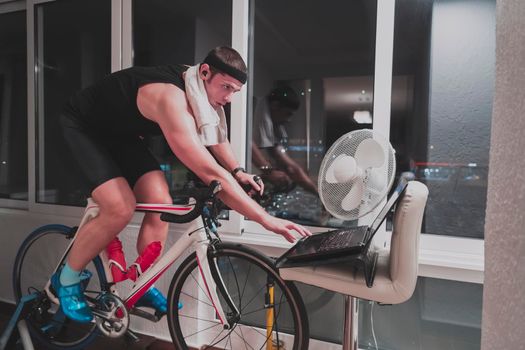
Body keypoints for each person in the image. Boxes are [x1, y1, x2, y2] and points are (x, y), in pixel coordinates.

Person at [54, 46, 311, 323]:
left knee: (161, 204)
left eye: (234, 91)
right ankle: (66, 279)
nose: (228, 98)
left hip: (121, 135)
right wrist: (265, 219)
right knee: (119, 208)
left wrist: (238, 171)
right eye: (225, 87)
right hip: (84, 126)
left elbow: (217, 139)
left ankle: (143, 284)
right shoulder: (170, 99)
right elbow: (209, 172)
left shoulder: (201, 92)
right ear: (204, 72)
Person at [252, 86, 318, 194]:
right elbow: (248, 144)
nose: (288, 119)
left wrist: (317, 192)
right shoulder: (251, 109)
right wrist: (269, 171)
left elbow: (290, 167)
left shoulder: (272, 127)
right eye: (288, 113)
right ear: (275, 105)